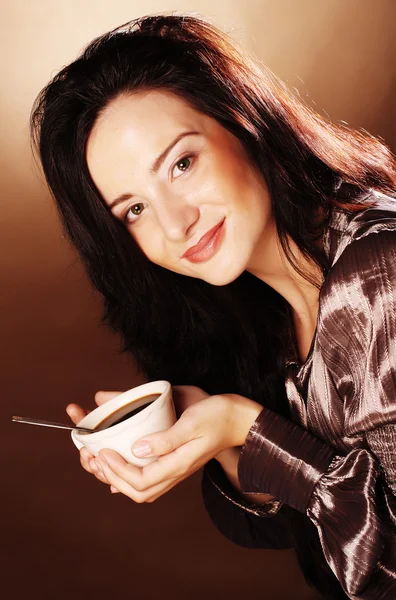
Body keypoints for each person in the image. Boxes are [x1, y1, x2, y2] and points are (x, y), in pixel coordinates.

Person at [29, 14, 396, 600]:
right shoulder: (256, 306)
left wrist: (247, 429)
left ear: (243, 121)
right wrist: (219, 433)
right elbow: (303, 532)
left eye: (181, 164)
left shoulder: (379, 272)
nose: (176, 223)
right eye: (134, 210)